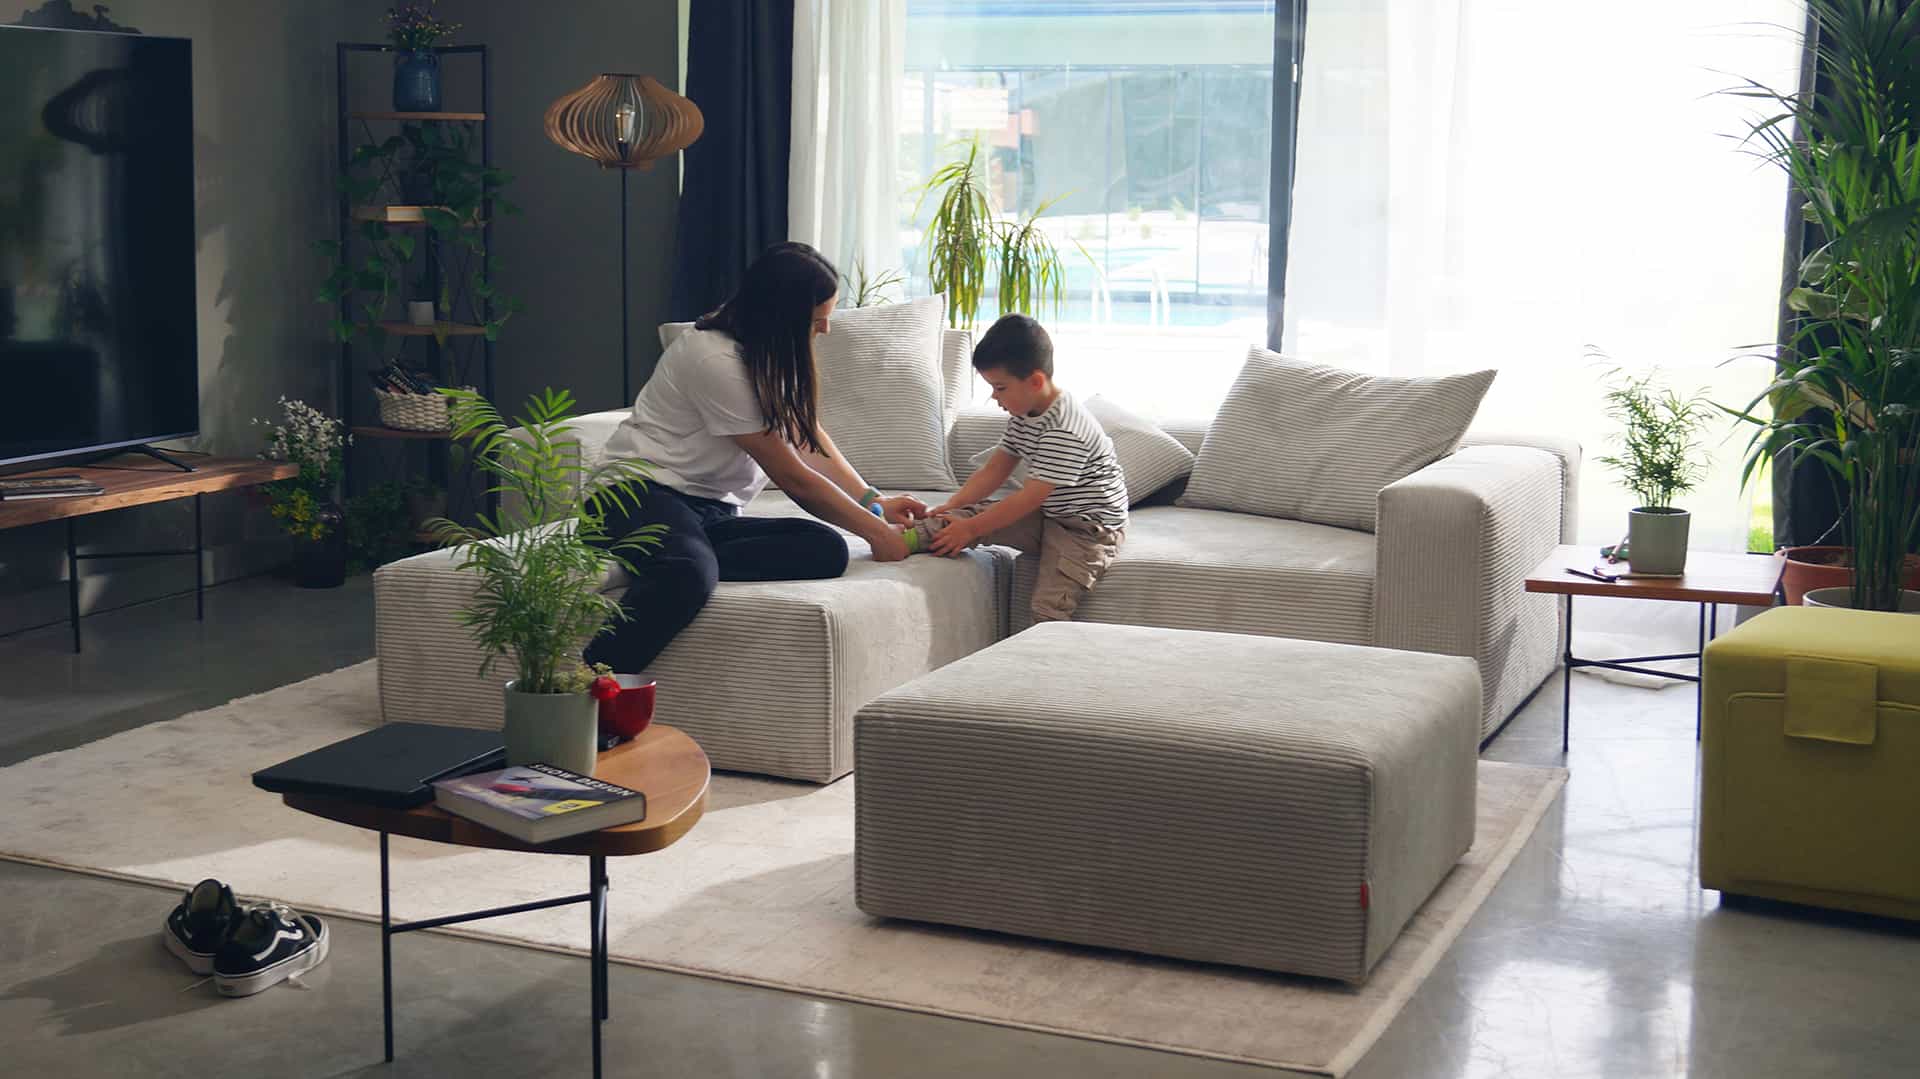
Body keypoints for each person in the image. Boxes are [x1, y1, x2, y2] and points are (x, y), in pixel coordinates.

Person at [585, 242, 925, 675]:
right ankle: (586, 686)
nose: (825, 329)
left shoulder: (767, 350)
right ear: (781, 315)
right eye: (816, 320)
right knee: (687, 574)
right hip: (634, 494)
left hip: (709, 511)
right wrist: (878, 534)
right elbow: (792, 476)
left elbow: (804, 437)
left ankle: (659, 553)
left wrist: (872, 502)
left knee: (824, 549)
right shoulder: (714, 359)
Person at [904, 314, 1128, 623]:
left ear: (1035, 381)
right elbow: (995, 469)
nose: (994, 397)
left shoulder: (1065, 429)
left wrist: (972, 529)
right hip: (1050, 513)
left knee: (1047, 607)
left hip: (1087, 530)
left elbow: (1028, 498)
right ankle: (902, 539)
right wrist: (954, 505)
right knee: (966, 515)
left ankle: (1043, 648)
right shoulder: (1025, 414)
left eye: (1000, 387)